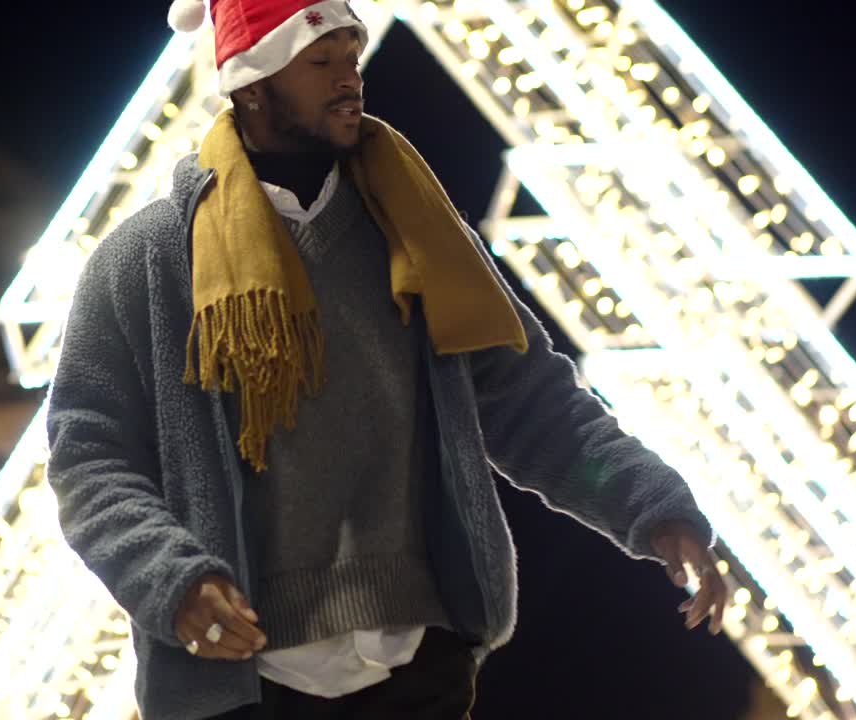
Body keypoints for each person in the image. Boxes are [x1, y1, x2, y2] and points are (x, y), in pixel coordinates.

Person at [44, 1, 728, 718]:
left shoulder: (424, 236)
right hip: (241, 680)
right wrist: (171, 581)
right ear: (251, 84)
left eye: (352, 56)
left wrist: (653, 509)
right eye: (321, 61)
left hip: (420, 665)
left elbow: (533, 402)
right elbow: (90, 458)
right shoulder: (146, 263)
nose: (348, 79)